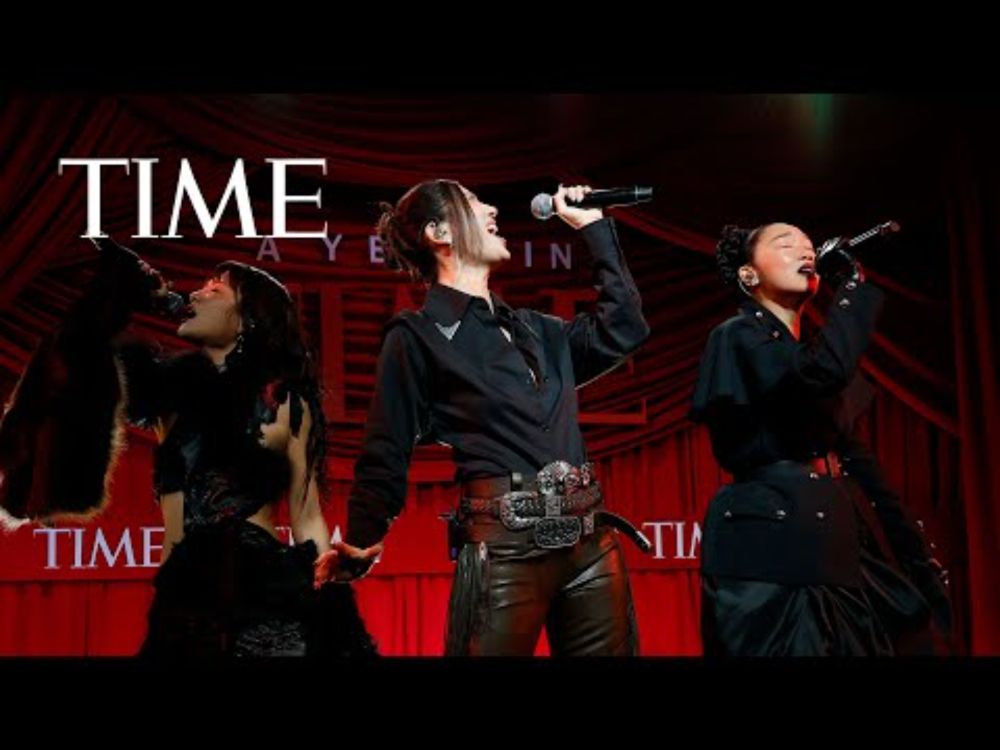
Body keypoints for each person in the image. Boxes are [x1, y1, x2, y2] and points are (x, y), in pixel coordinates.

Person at [314, 180, 651, 655]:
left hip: (590, 544)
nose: (493, 209)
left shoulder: (538, 329)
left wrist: (593, 228)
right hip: (505, 549)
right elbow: (386, 448)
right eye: (473, 203)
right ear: (439, 233)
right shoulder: (418, 335)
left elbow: (625, 329)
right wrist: (363, 538)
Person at [0, 238, 375, 657]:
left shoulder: (284, 402)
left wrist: (332, 590)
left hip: (262, 591)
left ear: (248, 319)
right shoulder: (168, 392)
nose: (196, 293)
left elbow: (307, 516)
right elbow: (77, 358)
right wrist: (130, 290)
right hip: (182, 599)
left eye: (215, 288)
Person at [691, 222, 952, 655]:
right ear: (748, 274)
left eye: (810, 247)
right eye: (786, 244)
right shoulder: (737, 335)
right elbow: (818, 374)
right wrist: (851, 287)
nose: (806, 252)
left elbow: (861, 465)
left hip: (835, 540)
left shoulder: (811, 352)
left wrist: (914, 556)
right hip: (773, 547)